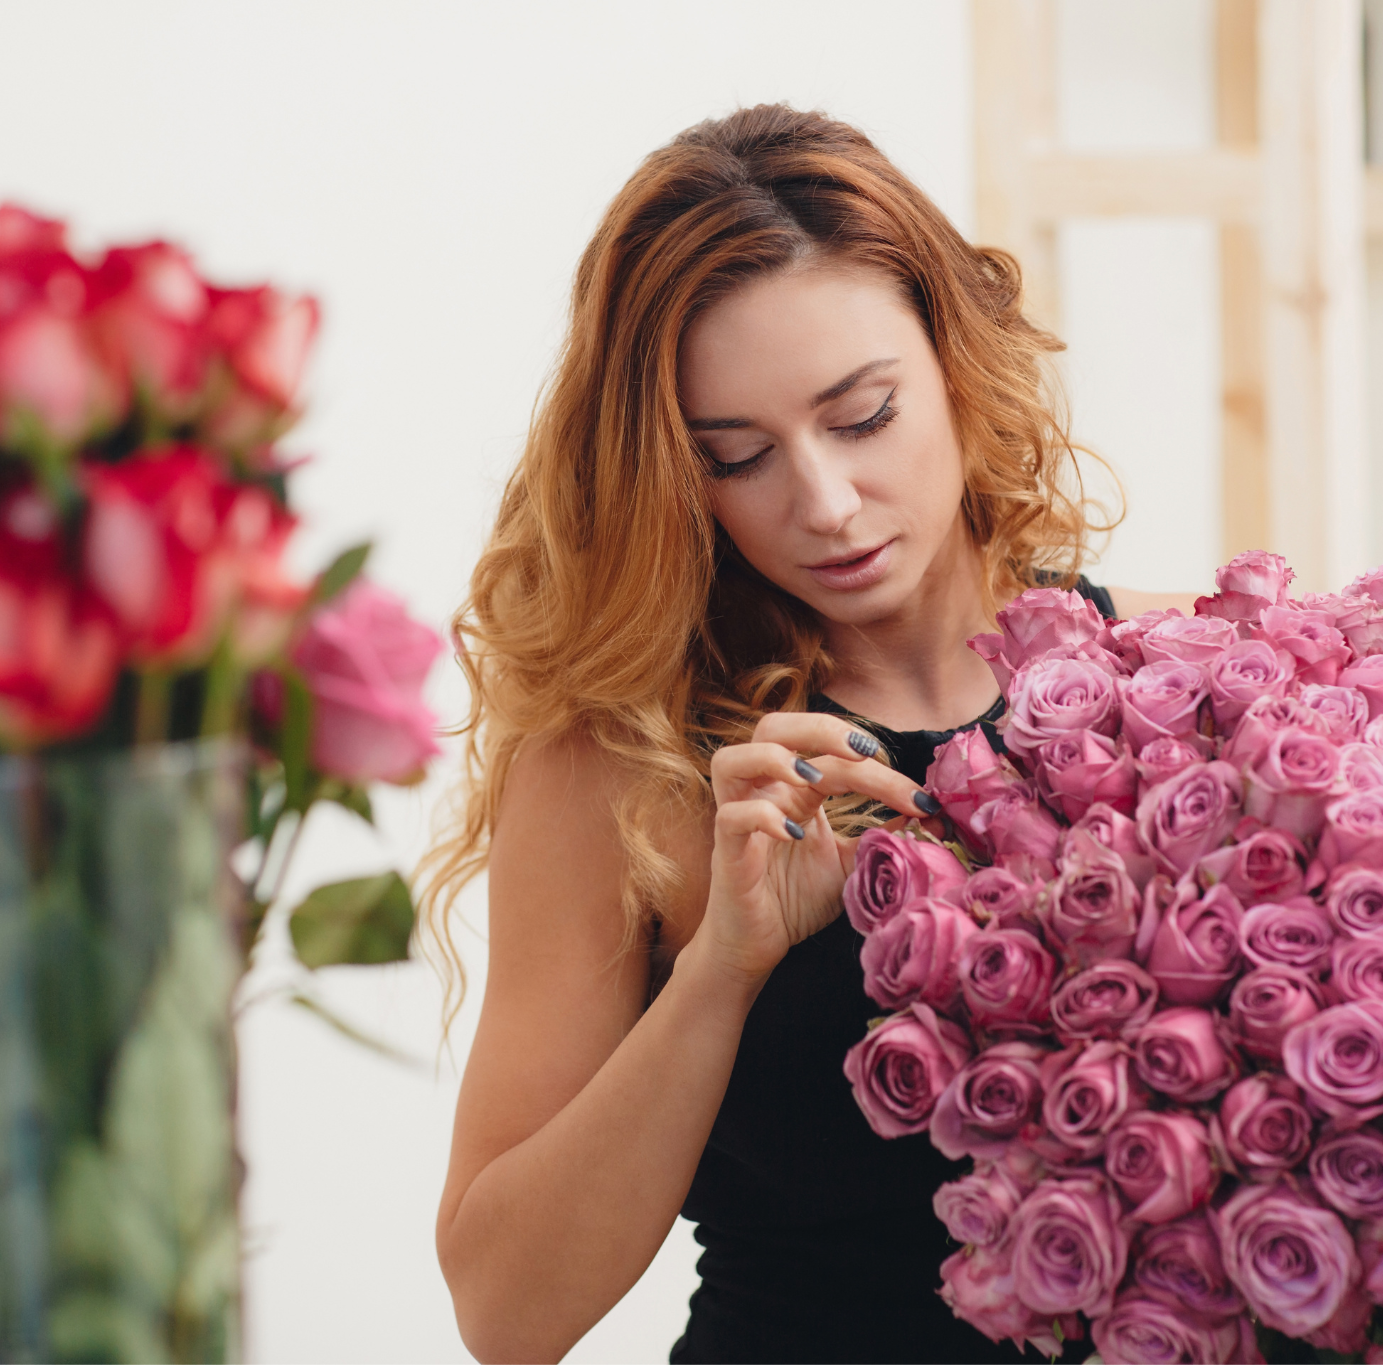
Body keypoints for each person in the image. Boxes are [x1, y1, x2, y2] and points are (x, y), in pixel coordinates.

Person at [424, 104, 1193, 1364]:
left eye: (861, 416)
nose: (824, 505)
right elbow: (505, 1313)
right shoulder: (629, 775)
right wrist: (726, 967)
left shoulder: (1185, 679)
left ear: (956, 357)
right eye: (736, 458)